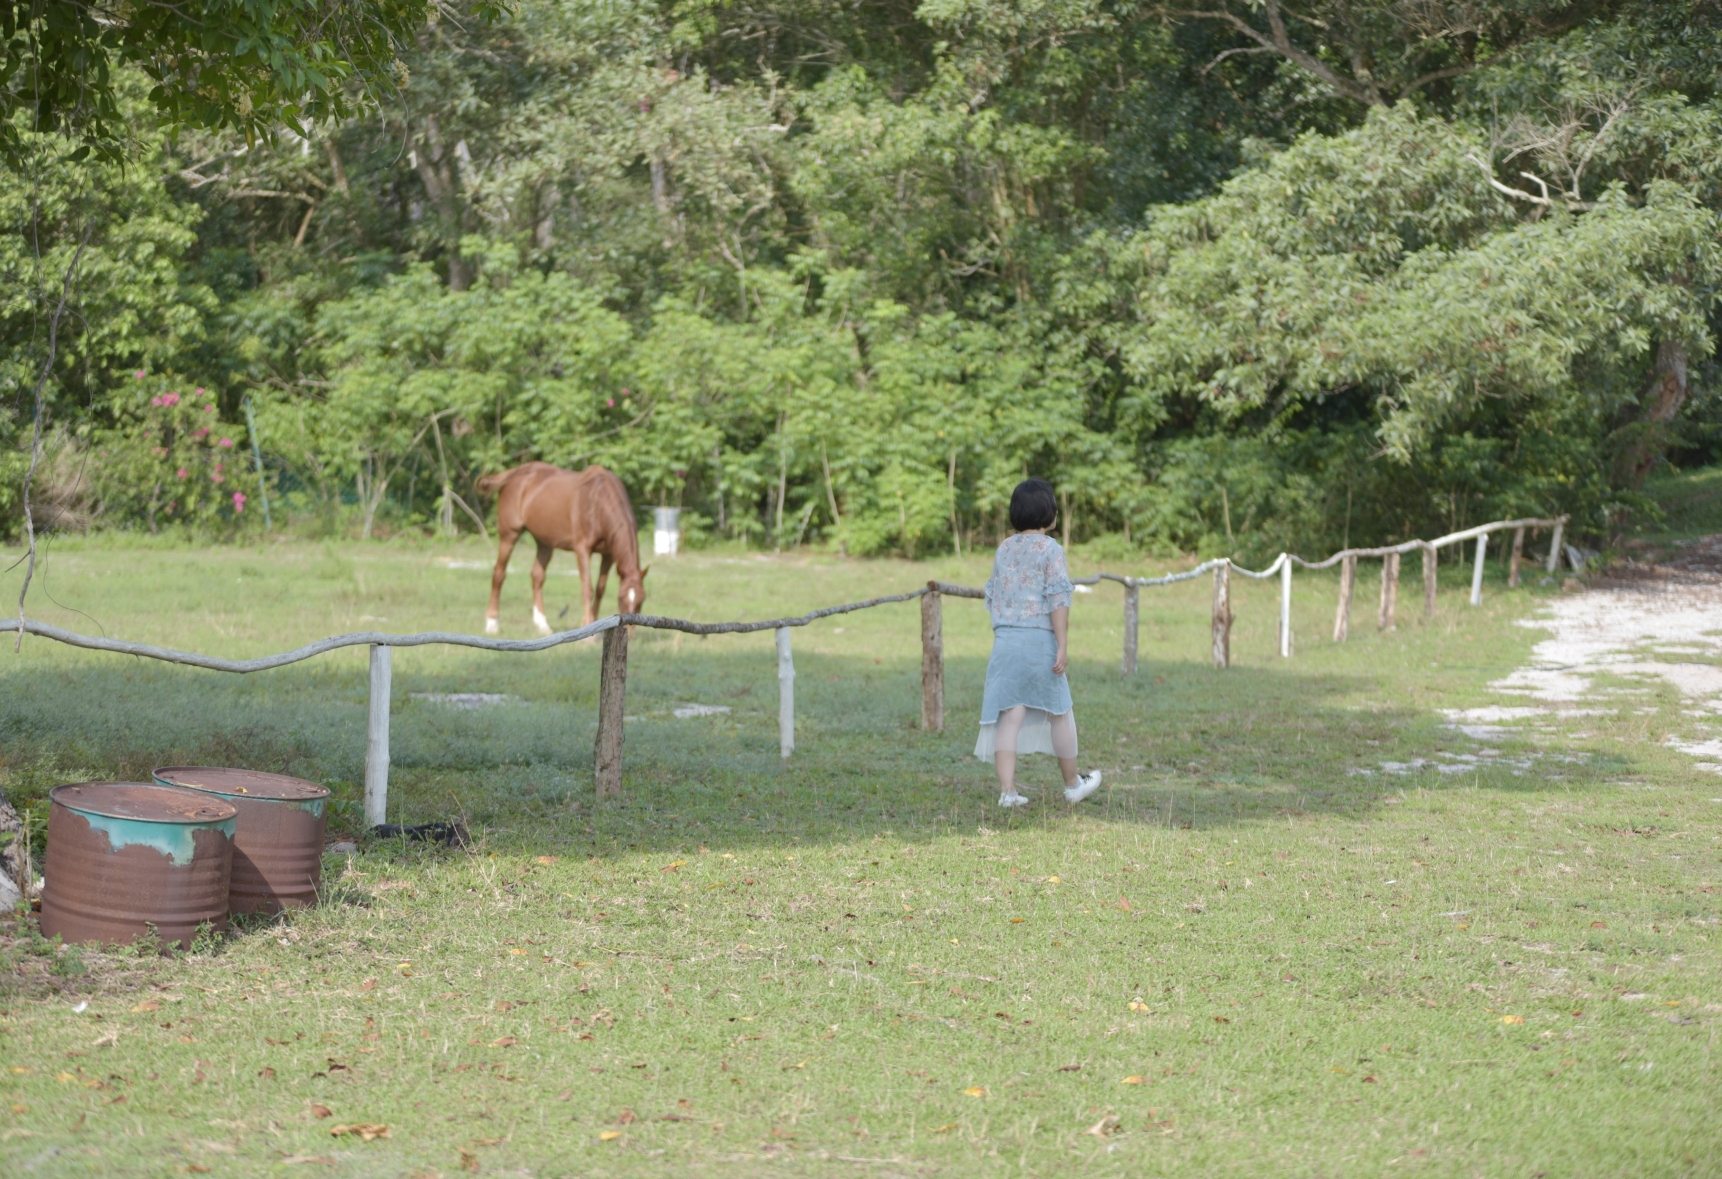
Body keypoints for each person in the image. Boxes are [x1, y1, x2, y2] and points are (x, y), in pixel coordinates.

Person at [975, 478, 1102, 808]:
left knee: (1009, 714)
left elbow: (993, 594)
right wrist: (1062, 643)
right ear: (1049, 513)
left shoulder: (1004, 548)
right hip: (1039, 641)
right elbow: (1058, 599)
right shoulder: (1052, 550)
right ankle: (1073, 784)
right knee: (1059, 710)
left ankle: (1008, 792)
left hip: (1005, 641)